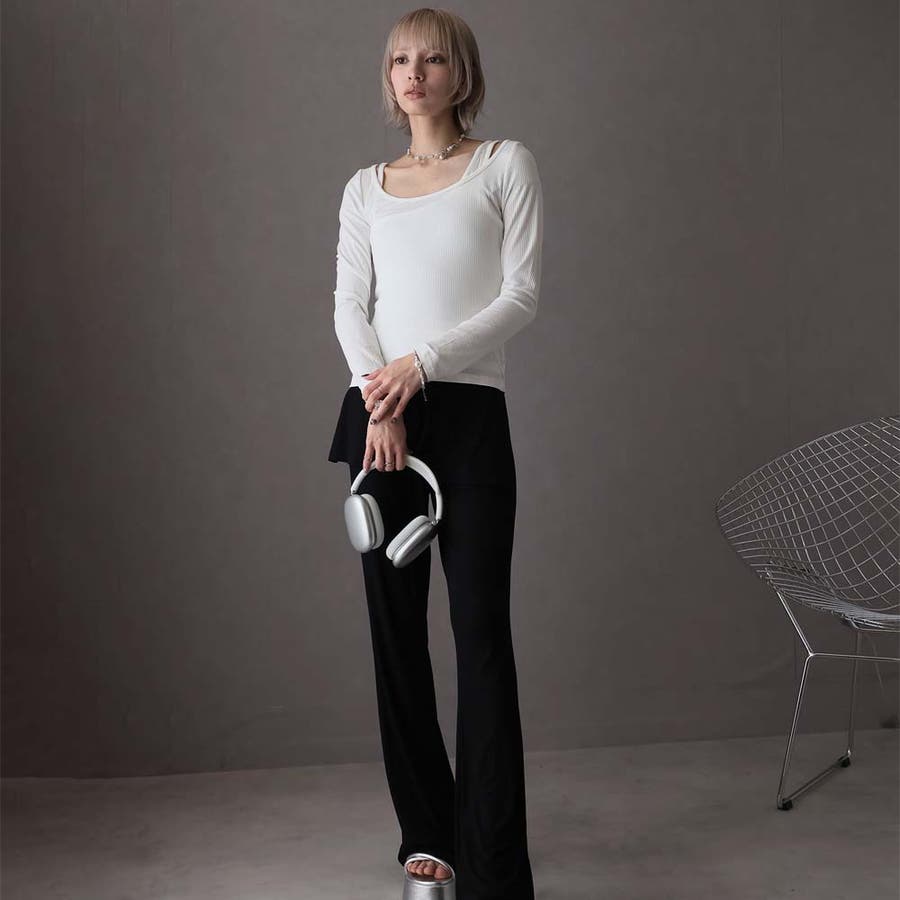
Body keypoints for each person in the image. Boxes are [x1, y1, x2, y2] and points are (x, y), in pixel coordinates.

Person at [327, 8, 543, 899]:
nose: (413, 74)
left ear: (463, 72)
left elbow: (521, 295)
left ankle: (494, 865)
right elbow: (349, 304)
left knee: (480, 636)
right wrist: (380, 396)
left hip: (467, 414)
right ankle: (430, 833)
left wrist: (421, 364)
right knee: (396, 637)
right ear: (389, 77)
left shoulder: (504, 165)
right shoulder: (364, 188)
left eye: (432, 59)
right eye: (399, 61)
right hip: (380, 420)